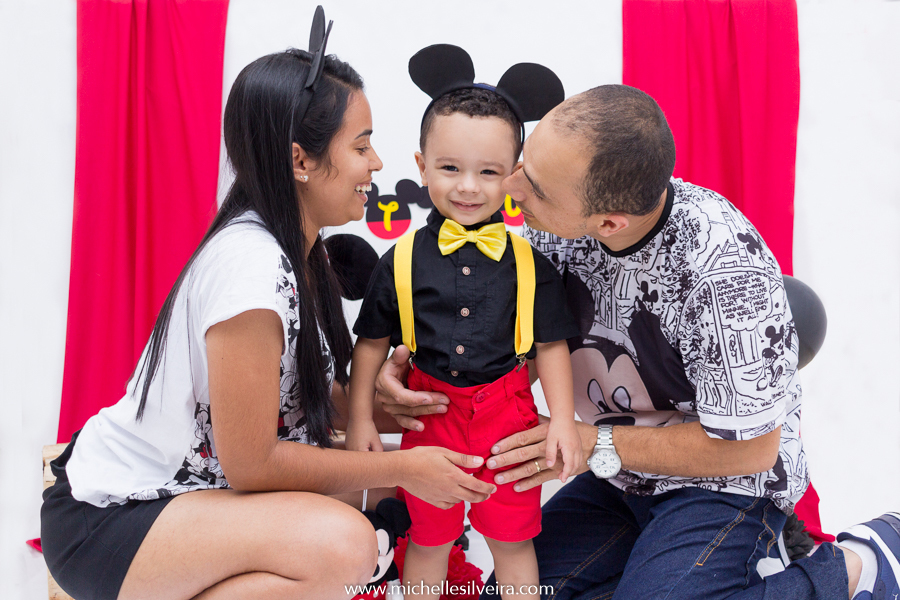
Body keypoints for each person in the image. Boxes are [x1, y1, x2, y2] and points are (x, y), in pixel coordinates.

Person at [376, 84, 900, 600]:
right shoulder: (548, 228)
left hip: (726, 486)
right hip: (621, 479)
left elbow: (755, 450)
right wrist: (421, 382)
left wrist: (592, 442)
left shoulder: (723, 270)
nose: (511, 188)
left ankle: (859, 564)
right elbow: (522, 351)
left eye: (533, 184)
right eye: (522, 165)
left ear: (608, 222)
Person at [39, 16, 496, 600]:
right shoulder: (251, 269)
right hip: (113, 519)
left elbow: (288, 403)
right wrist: (404, 466)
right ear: (300, 160)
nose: (376, 163)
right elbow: (254, 462)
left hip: (195, 499)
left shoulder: (295, 251)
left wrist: (386, 408)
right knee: (347, 544)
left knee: (380, 502)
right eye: (360, 146)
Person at [347, 45, 581, 599]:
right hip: (431, 419)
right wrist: (360, 419)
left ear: (513, 176)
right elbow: (371, 345)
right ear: (422, 166)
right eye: (450, 169)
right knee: (428, 541)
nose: (468, 187)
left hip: (510, 421)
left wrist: (565, 421)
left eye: (488, 172)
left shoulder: (530, 263)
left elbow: (550, 347)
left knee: (514, 543)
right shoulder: (400, 259)